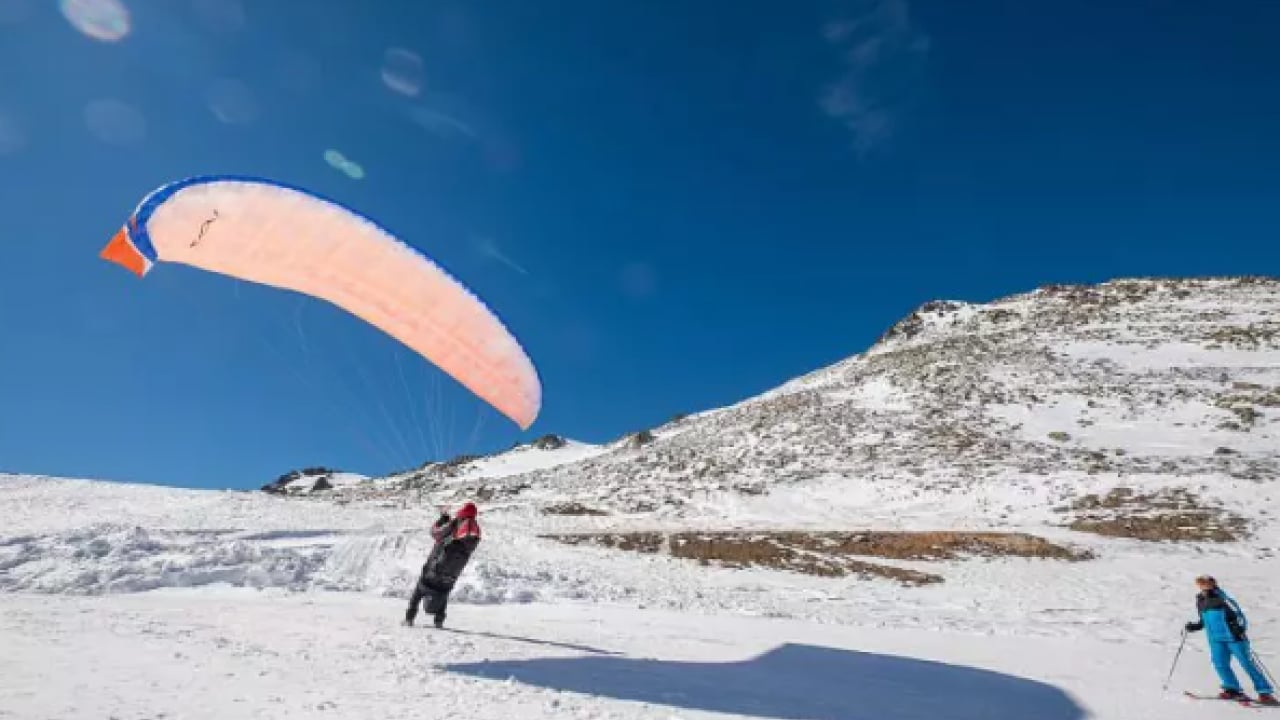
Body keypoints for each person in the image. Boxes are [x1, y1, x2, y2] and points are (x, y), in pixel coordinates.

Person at [1184, 575, 1276, 704]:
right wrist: (1195, 626)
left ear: (1213, 584)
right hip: (1215, 639)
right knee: (1219, 664)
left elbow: (1239, 616)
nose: (1203, 586)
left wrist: (1240, 628)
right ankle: (1232, 689)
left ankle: (1265, 692)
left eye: (1206, 583)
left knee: (1247, 664)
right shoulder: (1200, 600)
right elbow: (1204, 620)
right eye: (1201, 584)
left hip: (1234, 638)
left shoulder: (1223, 598)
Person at [404, 502, 482, 629]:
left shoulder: (456, 523)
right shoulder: (474, 531)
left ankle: (409, 619)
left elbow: (435, 533)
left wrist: (443, 519)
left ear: (462, 512)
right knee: (443, 592)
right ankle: (439, 621)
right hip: (451, 575)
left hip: (434, 569)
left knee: (419, 590)